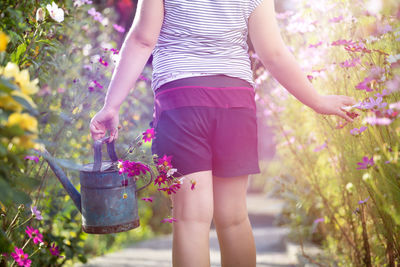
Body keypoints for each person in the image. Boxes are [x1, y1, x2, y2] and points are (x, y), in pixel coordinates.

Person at [89, 0, 357, 266]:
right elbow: (273, 53)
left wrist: (111, 105)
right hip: (235, 103)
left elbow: (143, 40)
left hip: (181, 101)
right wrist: (317, 101)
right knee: (234, 218)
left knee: (191, 219)